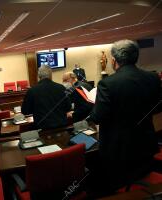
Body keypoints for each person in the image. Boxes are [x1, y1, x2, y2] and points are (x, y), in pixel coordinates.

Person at [87, 39, 161, 197]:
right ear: (136, 57)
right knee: (141, 184)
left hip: (118, 151)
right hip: (146, 145)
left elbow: (98, 117)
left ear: (113, 60)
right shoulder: (153, 78)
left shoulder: (107, 84)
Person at [22, 65, 71, 130]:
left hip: (43, 129)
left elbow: (25, 111)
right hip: (62, 127)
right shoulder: (61, 88)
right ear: (51, 75)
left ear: (39, 76)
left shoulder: (32, 91)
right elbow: (68, 107)